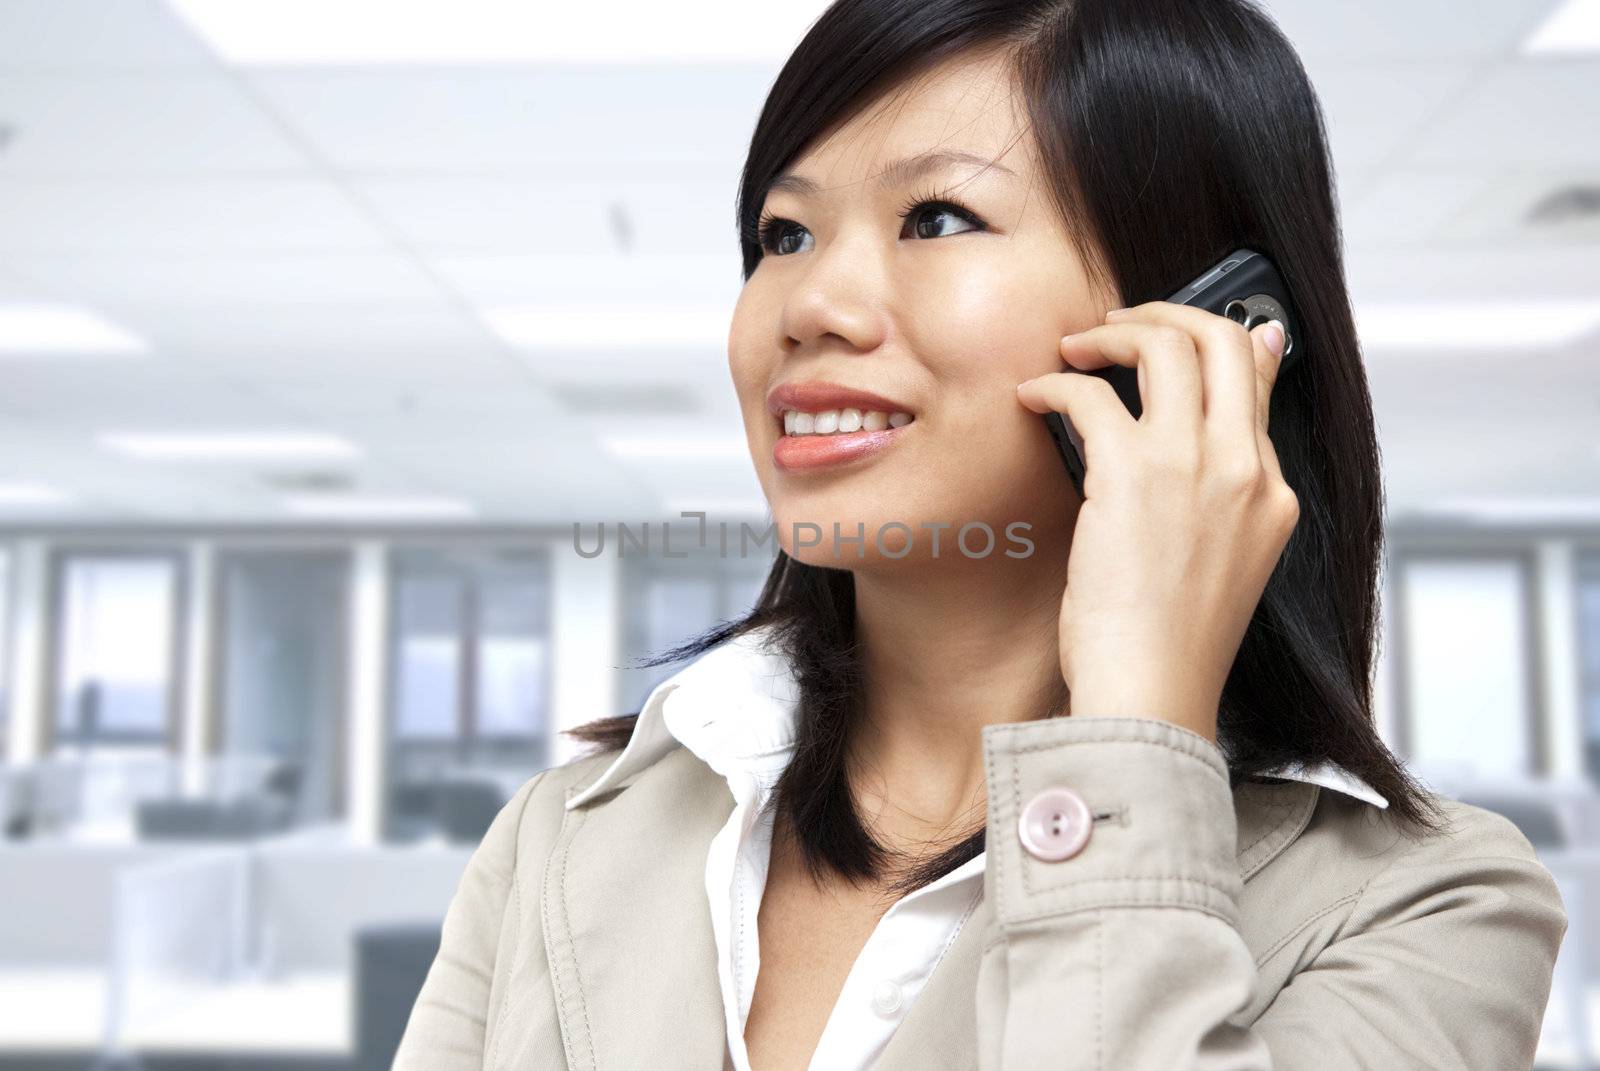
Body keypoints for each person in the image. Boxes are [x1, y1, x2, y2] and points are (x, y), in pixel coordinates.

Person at [394, 1, 1567, 1067]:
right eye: (784, 234)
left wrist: (1133, 723)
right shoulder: (562, 843)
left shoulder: (1427, 909)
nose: (808, 307)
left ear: (1204, 323)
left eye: (937, 217)